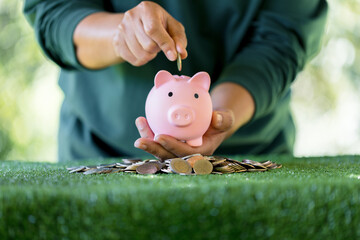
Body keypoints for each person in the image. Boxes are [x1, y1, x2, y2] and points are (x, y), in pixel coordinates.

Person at [24, 0, 328, 161]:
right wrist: (120, 35)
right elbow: (55, 12)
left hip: (246, 151)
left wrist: (214, 119)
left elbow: (279, 41)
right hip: (101, 149)